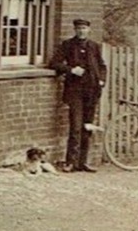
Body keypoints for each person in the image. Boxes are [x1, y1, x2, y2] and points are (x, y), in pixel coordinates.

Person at [48, 19, 107, 172]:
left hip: (92, 91)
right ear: (75, 29)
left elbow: (102, 66)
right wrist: (71, 70)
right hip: (75, 91)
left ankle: (83, 162)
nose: (81, 31)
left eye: (84, 28)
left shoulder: (94, 46)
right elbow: (54, 63)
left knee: (87, 126)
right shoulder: (67, 45)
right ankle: (70, 162)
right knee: (75, 126)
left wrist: (101, 80)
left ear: (89, 30)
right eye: (79, 28)